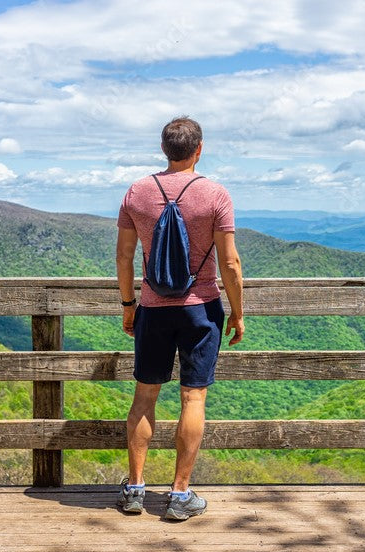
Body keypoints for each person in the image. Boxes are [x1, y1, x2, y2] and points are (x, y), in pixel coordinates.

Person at [116, 116, 244, 520]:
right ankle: (179, 495)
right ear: (199, 149)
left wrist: (128, 304)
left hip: (152, 308)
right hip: (201, 308)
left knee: (144, 397)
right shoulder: (214, 194)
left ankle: (135, 489)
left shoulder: (137, 192)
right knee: (193, 397)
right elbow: (230, 263)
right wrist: (238, 314)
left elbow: (123, 256)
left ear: (163, 148)